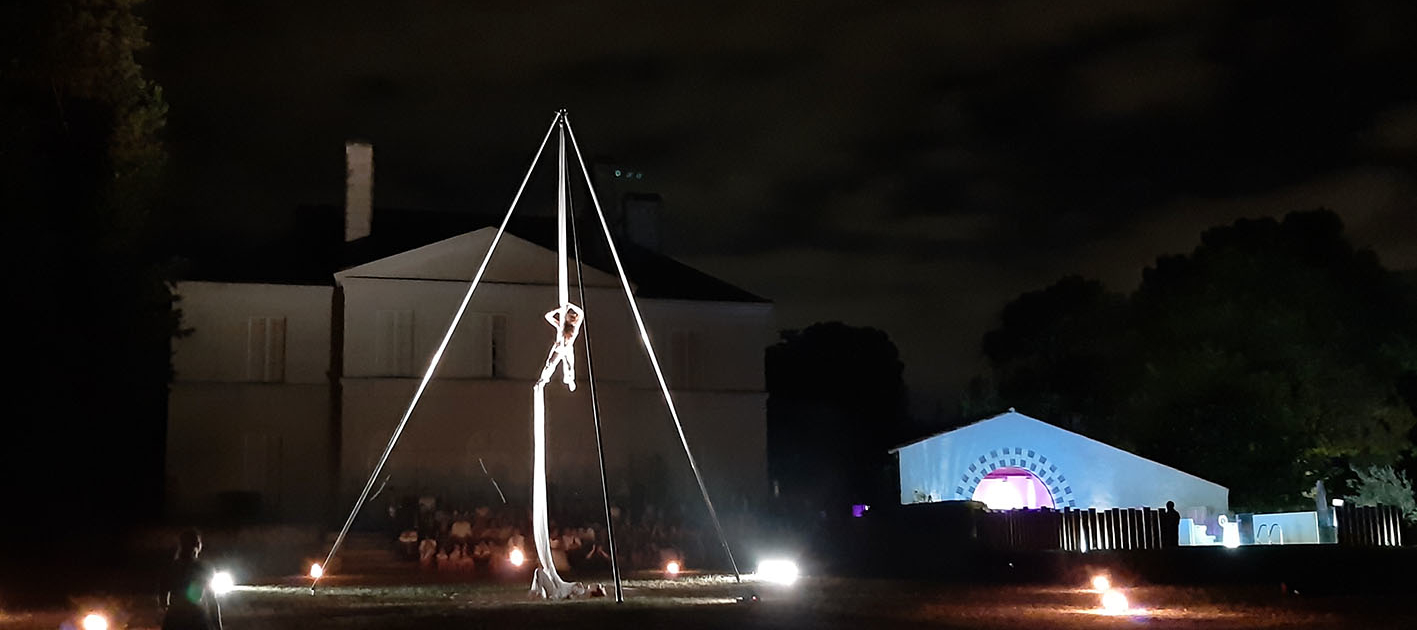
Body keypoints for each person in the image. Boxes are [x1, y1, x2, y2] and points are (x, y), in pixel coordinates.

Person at [157, 529, 222, 630]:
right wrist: (217, 626)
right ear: (198, 546)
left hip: (175, 618)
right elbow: (212, 601)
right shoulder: (204, 568)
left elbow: (162, 598)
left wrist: (171, 610)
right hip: (196, 618)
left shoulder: (171, 567)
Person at [537, 303, 584, 391]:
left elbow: (581, 313)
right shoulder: (561, 325)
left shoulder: (575, 326)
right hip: (559, 347)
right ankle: (543, 380)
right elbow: (548, 316)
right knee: (550, 364)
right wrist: (559, 310)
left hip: (568, 348)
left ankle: (569, 379)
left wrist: (570, 305)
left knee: (569, 366)